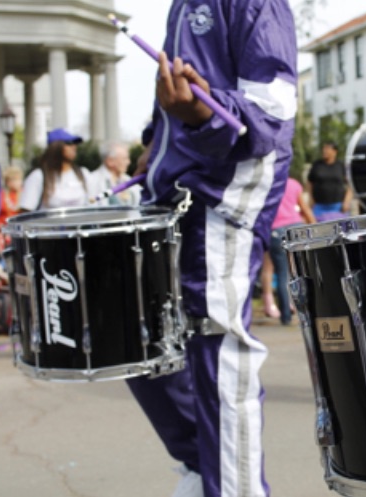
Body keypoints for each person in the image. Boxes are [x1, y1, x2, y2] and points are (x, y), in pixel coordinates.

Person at [123, 1, 298, 496]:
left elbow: (272, 110)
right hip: (174, 191)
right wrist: (157, 142)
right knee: (140, 340)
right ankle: (204, 466)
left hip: (224, 191)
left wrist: (198, 113)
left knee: (219, 351)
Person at [261, 176, 315, 325]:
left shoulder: (266, 184)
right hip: (295, 228)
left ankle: (286, 316)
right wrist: (314, 226)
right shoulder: (293, 183)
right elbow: (304, 208)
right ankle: (310, 311)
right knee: (303, 271)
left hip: (276, 230)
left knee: (282, 275)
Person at [18, 128, 98, 211]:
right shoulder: (39, 176)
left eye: (75, 143)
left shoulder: (84, 174)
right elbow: (26, 210)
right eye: (69, 143)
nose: (74, 147)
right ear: (56, 147)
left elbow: (94, 205)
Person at [306, 141, 352, 220]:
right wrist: (311, 199)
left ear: (335, 151)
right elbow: (310, 182)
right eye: (323, 149)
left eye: (327, 149)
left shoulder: (341, 165)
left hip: (338, 206)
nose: (324, 151)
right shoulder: (317, 165)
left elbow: (350, 184)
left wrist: (347, 201)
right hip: (319, 206)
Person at [91, 141, 141, 206]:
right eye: (124, 159)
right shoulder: (93, 180)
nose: (129, 162)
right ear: (110, 161)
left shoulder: (128, 180)